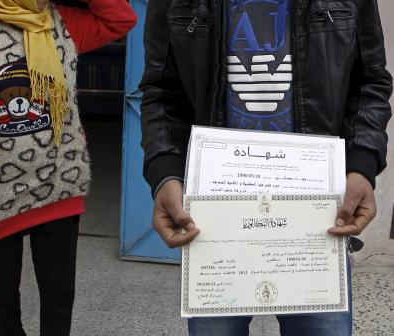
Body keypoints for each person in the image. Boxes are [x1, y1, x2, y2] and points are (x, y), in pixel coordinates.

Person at [139, 0, 392, 335]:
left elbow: (370, 83)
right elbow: (160, 90)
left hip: (317, 222)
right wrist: (165, 172)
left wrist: (361, 165)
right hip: (217, 223)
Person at [0, 1, 136, 335]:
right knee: (1, 305)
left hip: (56, 183)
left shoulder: (57, 19)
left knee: (58, 300)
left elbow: (120, 18)